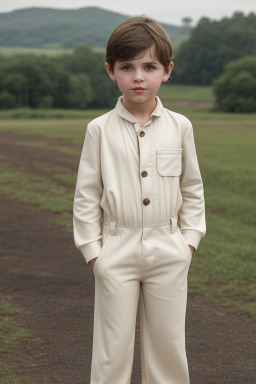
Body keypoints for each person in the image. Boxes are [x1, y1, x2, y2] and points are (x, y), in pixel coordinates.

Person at [73, 15, 206, 384]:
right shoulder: (98, 129)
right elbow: (87, 194)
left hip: (169, 248)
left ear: (167, 71)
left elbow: (192, 187)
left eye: (149, 66)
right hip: (116, 249)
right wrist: (94, 252)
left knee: (168, 347)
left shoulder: (181, 126)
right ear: (110, 70)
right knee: (111, 350)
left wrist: (189, 241)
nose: (138, 77)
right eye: (126, 67)